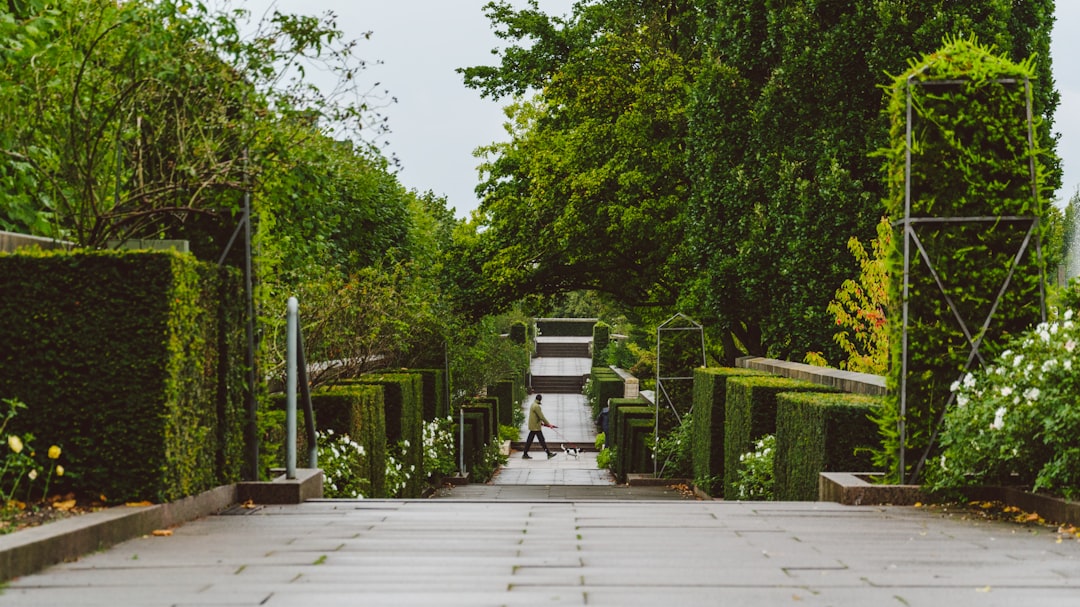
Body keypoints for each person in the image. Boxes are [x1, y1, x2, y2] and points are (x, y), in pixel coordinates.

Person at [522, 394, 557, 459]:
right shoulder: (537, 406)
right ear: (540, 399)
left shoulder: (533, 404)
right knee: (541, 440)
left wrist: (542, 423)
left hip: (533, 425)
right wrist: (549, 424)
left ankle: (525, 453)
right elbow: (541, 417)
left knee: (530, 440)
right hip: (536, 427)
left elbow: (535, 417)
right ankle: (548, 454)